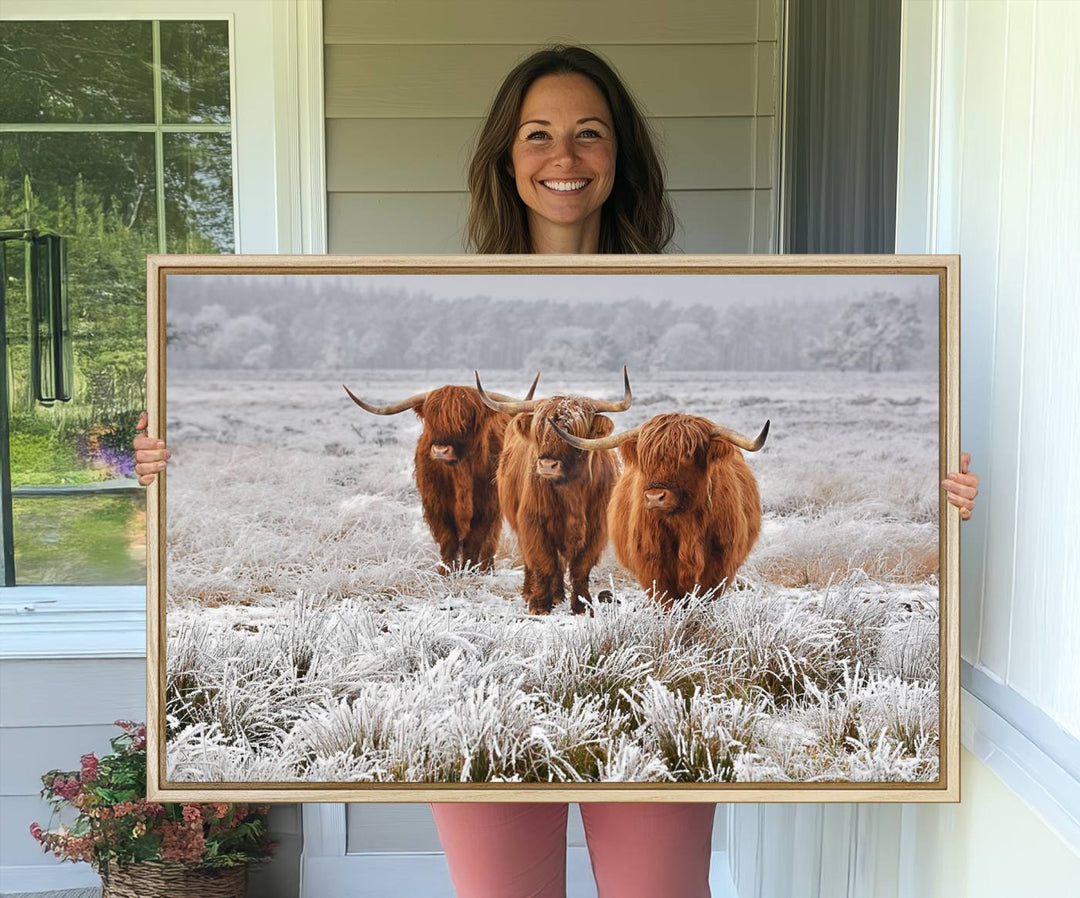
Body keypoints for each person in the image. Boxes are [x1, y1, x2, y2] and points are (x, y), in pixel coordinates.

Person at [134, 45, 979, 898]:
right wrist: (175, 465)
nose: (564, 157)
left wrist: (937, 489)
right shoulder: (437, 296)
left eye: (589, 134)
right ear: (507, 156)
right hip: (480, 688)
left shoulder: (691, 296)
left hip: (652, 671)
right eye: (538, 135)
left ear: (620, 157)